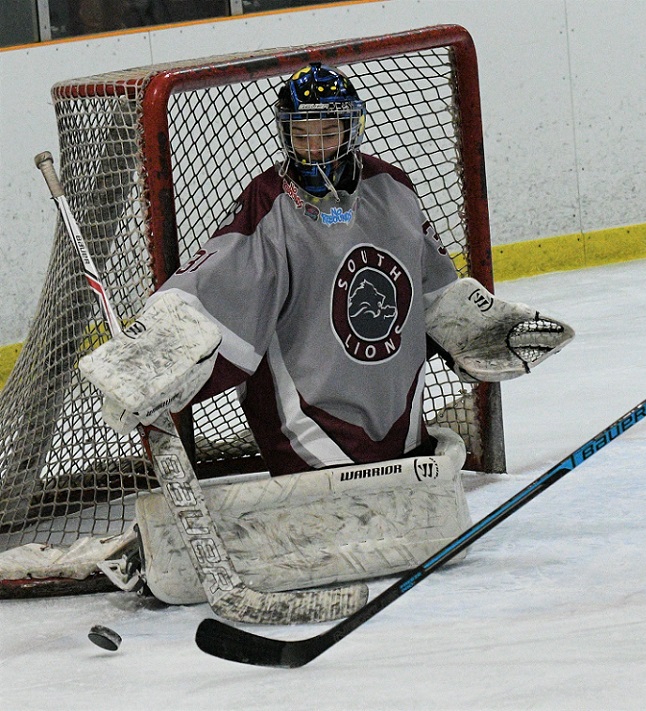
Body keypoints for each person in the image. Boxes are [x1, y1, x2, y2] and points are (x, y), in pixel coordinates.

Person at [69, 62, 574, 604]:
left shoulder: (393, 190)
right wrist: (155, 353)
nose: (315, 146)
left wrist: (474, 329)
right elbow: (215, 288)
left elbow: (431, 291)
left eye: (328, 131)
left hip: (396, 418)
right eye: (302, 134)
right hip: (309, 430)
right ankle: (150, 553)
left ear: (352, 128)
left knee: (421, 528)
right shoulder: (270, 204)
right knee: (344, 531)